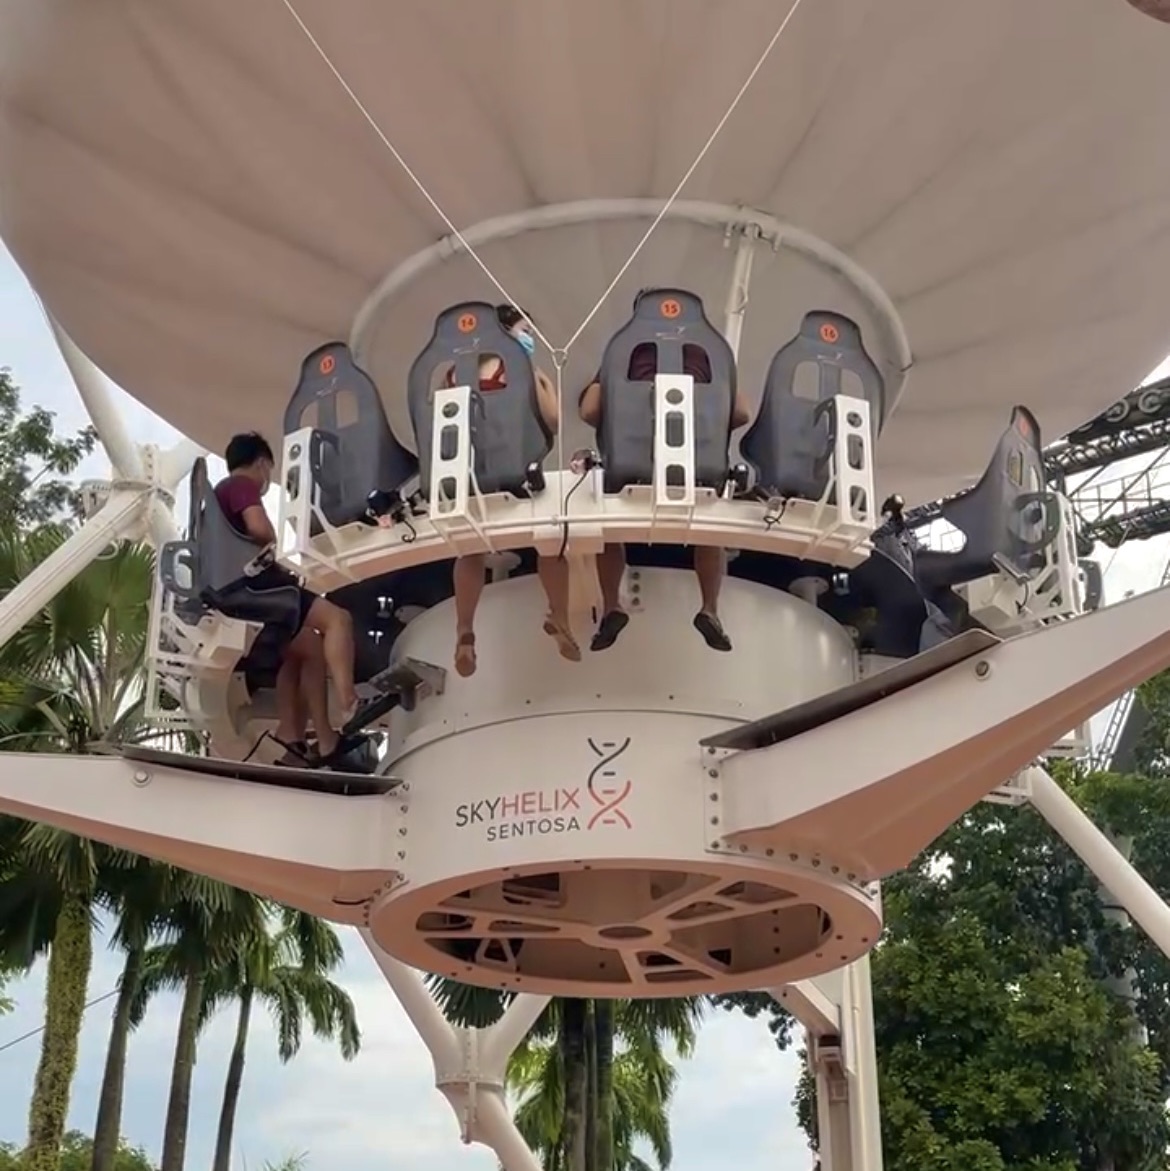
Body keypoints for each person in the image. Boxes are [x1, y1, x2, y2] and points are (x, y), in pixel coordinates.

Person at [577, 320, 753, 654]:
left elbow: (589, 410)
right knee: (709, 528)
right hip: (698, 465)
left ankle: (612, 605)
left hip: (633, 465)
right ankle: (709, 608)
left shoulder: (622, 355)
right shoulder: (709, 356)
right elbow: (741, 412)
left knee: (611, 526)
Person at [446, 304, 580, 677]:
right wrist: (544, 384)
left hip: (468, 476)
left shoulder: (454, 371)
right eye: (526, 331)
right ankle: (559, 613)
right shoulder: (524, 371)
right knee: (552, 543)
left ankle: (465, 630)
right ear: (506, 332)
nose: (530, 339)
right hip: (517, 474)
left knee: (470, 548)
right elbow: (553, 421)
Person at [214, 432, 360, 763]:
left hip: (232, 595)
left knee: (308, 648)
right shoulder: (240, 487)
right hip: (255, 589)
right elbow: (260, 529)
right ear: (263, 463)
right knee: (338, 619)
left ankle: (306, 736)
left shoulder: (216, 496)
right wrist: (271, 540)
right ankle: (349, 701)